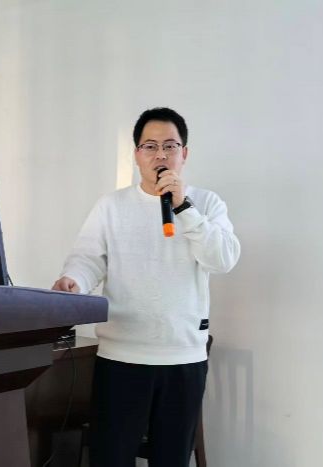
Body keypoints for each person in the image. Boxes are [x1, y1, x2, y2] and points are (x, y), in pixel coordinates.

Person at [52, 107, 240, 467]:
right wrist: (74, 281)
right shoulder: (111, 206)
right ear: (137, 154)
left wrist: (184, 208)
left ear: (184, 153)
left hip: (183, 358)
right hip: (121, 357)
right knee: (111, 458)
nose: (160, 155)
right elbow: (88, 258)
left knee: (171, 459)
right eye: (150, 146)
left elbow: (223, 259)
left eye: (170, 146)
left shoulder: (207, 203)